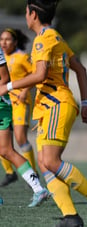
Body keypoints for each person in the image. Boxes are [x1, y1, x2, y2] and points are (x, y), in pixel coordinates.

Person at [0, 0, 87, 227]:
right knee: (45, 163)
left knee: (50, 162)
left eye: (26, 12)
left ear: (33, 14)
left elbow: (39, 75)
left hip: (56, 105)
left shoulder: (43, 39)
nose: (25, 16)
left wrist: (7, 86)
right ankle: (70, 216)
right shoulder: (56, 37)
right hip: (52, 106)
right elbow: (81, 70)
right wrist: (86, 103)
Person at [0, 43, 50, 207]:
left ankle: (38, 188)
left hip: (2, 104)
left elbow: (4, 78)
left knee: (7, 150)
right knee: (5, 150)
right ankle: (38, 189)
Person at [0, 28, 36, 187]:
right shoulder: (2, 58)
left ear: (15, 42)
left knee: (21, 138)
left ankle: (33, 175)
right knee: (3, 142)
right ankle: (10, 172)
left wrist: (25, 91)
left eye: (8, 39)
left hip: (20, 102)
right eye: (2, 39)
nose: (4, 43)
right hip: (5, 103)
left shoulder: (22, 57)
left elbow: (35, 75)